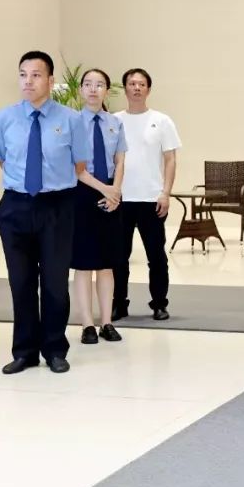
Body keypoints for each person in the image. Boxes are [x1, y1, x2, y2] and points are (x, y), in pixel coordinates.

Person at [0, 50, 92, 374]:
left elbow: (79, 165)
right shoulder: (4, 118)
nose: (28, 81)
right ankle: (24, 352)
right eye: (23, 75)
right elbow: (3, 159)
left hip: (57, 206)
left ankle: (55, 349)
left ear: (50, 80)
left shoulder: (71, 119)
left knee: (54, 283)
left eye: (36, 75)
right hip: (16, 206)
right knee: (20, 283)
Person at [112, 68, 182, 322]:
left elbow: (170, 159)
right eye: (132, 83)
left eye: (142, 84)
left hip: (152, 199)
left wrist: (166, 193)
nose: (137, 88)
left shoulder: (161, 120)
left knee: (156, 256)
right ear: (125, 88)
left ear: (148, 89)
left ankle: (159, 303)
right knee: (119, 257)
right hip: (121, 199)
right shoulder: (114, 121)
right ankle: (119, 303)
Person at [72, 68, 128, 345]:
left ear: (107, 90)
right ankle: (87, 325)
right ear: (81, 89)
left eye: (99, 84)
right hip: (82, 193)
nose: (93, 89)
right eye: (88, 84)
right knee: (84, 264)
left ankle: (107, 322)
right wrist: (105, 189)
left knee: (107, 264)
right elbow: (76, 167)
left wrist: (114, 191)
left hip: (111, 194)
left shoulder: (115, 123)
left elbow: (120, 160)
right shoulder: (72, 122)